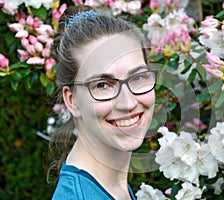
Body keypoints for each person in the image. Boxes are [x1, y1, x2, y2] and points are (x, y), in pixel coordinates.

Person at [49, 4, 157, 199]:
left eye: (138, 77)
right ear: (72, 100)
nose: (128, 103)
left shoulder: (113, 188)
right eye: (102, 85)